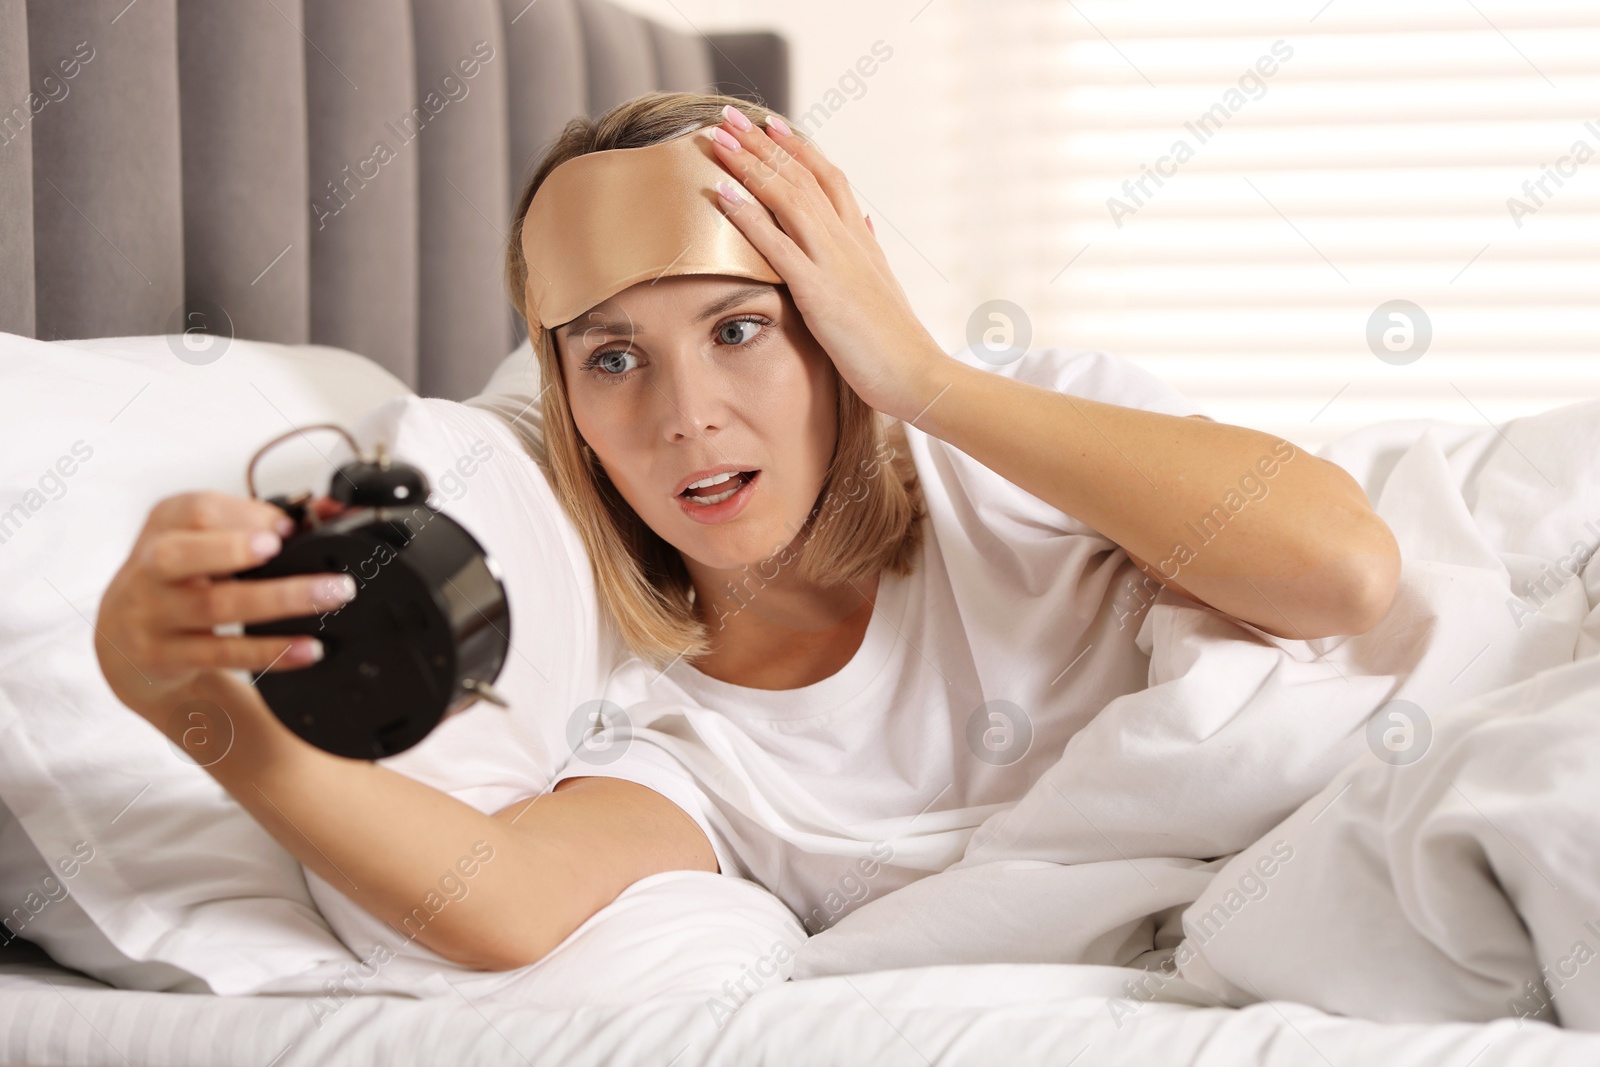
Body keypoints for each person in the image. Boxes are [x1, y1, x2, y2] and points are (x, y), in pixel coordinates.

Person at [93, 91, 1400, 972]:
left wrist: (926, 381)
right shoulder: (681, 745)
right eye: (615, 360)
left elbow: (1340, 575)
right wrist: (201, 714)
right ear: (568, 404)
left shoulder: (1019, 455)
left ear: (838, 321)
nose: (684, 417)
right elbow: (494, 902)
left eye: (740, 330)